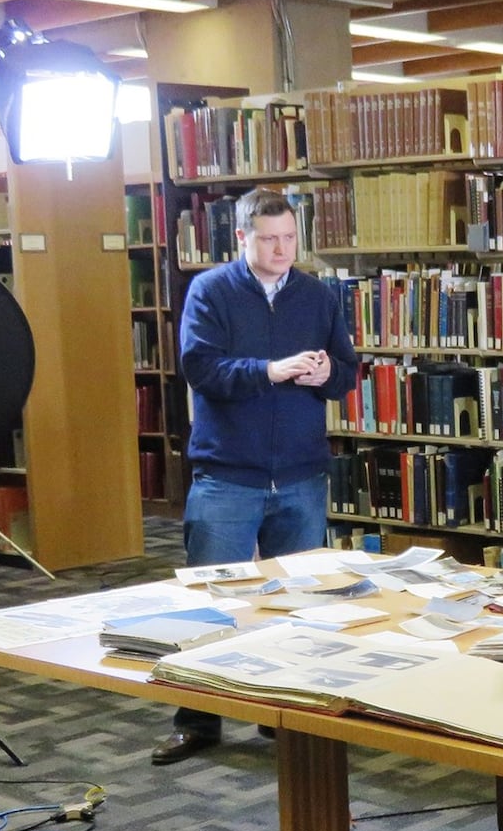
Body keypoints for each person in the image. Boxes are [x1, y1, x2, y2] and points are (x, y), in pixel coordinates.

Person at [152, 188, 358, 765]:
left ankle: (282, 710)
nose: (281, 249)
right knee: (211, 600)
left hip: (300, 473)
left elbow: (347, 371)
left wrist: (324, 374)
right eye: (268, 238)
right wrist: (270, 371)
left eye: (290, 238)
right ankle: (197, 720)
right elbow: (201, 368)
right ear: (241, 237)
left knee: (297, 601)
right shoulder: (211, 291)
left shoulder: (317, 295)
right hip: (229, 473)